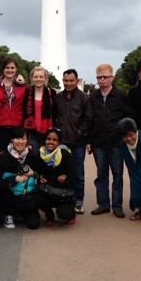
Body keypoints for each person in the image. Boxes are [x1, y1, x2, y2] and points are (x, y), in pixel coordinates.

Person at [85, 63, 134, 218]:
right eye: (99, 77)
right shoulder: (93, 96)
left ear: (112, 77)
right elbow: (89, 119)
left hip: (116, 143)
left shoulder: (121, 95)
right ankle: (103, 204)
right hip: (98, 142)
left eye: (105, 77)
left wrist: (125, 134)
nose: (102, 80)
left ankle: (117, 205)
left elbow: (129, 115)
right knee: (101, 175)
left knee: (117, 175)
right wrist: (88, 140)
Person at [0, 126, 41, 229]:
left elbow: (41, 179)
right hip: (9, 196)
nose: (20, 142)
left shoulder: (32, 156)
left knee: (34, 224)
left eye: (23, 138)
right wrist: (14, 179)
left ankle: (19, 213)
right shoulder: (3, 157)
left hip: (26, 195)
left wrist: (33, 174)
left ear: (27, 140)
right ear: (11, 139)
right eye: (17, 138)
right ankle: (8, 212)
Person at [54, 68, 88, 214]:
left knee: (78, 173)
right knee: (61, 172)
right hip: (61, 143)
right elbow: (54, 116)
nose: (68, 83)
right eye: (65, 80)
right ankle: (65, 197)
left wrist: (80, 133)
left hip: (78, 142)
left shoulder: (84, 98)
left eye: (71, 80)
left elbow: (88, 119)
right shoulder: (57, 98)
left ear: (77, 80)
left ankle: (79, 200)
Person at [35, 128, 76, 227]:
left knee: (64, 214)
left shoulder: (66, 155)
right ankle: (49, 216)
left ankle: (71, 214)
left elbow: (71, 180)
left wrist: (48, 180)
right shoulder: (40, 154)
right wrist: (56, 179)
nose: (51, 142)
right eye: (48, 139)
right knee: (37, 196)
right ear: (45, 140)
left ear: (59, 142)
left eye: (54, 140)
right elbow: (40, 175)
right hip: (48, 190)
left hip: (63, 192)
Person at [0, 57, 27, 150]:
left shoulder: (23, 85)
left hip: (17, 126)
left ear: (16, 69)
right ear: (3, 69)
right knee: (1, 154)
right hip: (0, 126)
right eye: (7, 68)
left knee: (17, 154)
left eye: (12, 68)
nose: (10, 70)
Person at [23, 66, 57, 148]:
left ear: (45, 78)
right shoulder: (27, 93)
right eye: (35, 77)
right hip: (31, 132)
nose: (38, 79)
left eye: (41, 77)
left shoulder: (51, 93)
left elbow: (55, 113)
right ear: (31, 78)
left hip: (47, 132)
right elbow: (23, 113)